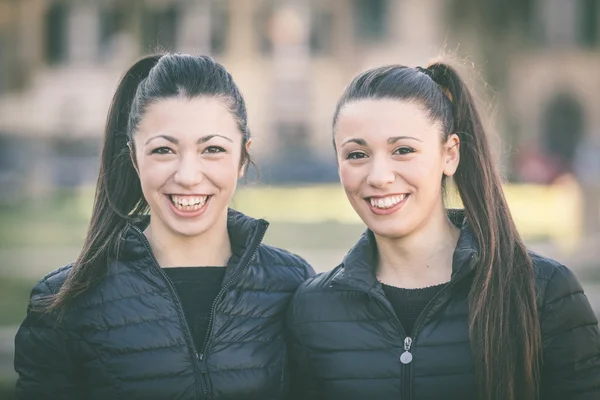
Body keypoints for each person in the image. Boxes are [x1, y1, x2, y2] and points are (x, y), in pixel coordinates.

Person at [286, 63, 600, 400]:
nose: (378, 176)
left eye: (402, 150)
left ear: (449, 154)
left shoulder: (544, 292)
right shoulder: (312, 309)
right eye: (357, 154)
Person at [14, 53, 314, 399]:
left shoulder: (295, 286)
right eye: (163, 151)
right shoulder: (62, 302)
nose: (187, 176)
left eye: (212, 149)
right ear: (134, 158)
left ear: (243, 158)